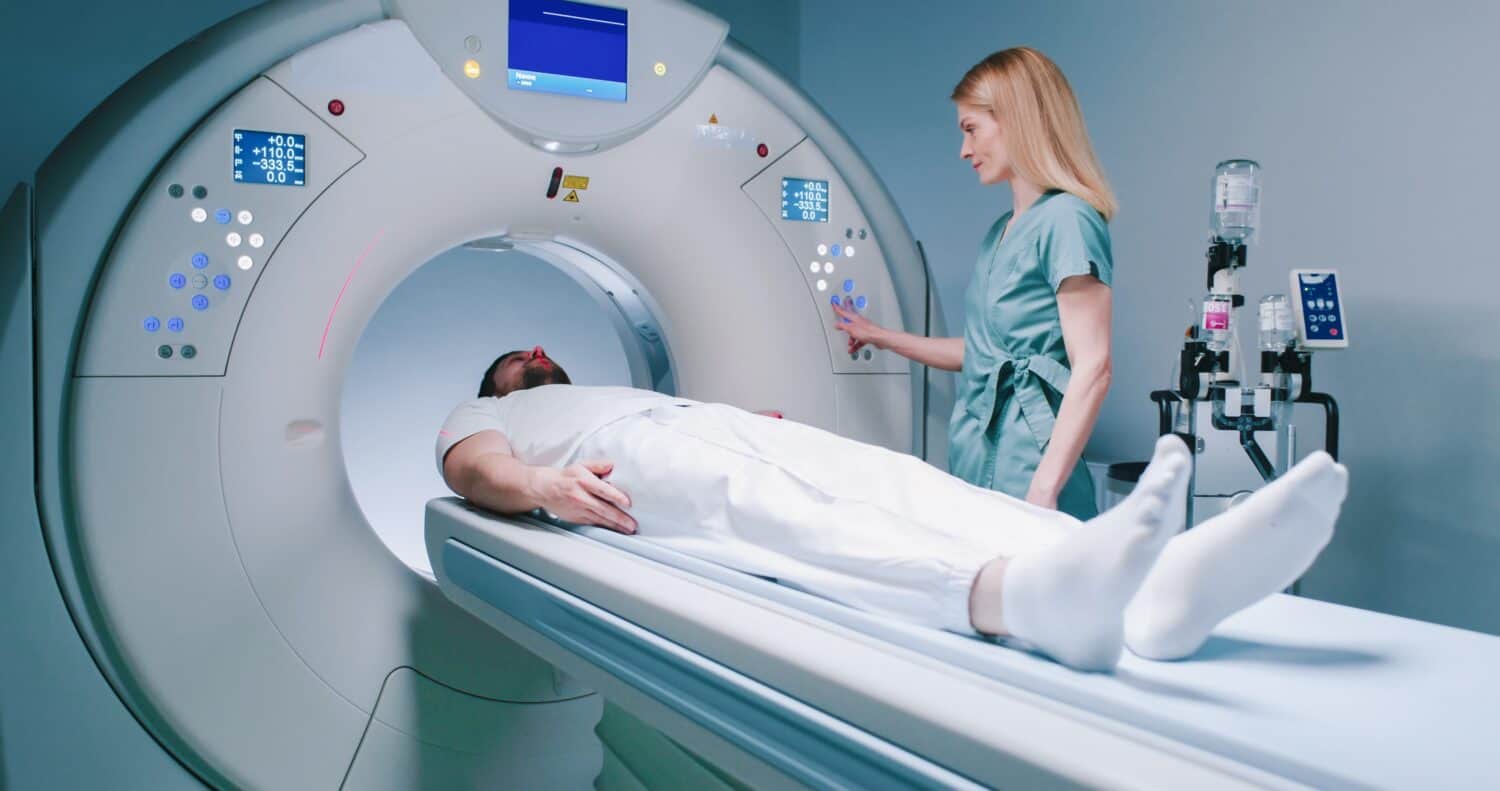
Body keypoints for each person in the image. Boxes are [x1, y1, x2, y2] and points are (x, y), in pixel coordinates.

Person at [436, 351, 1349, 672]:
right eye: (521, 355)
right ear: (500, 383)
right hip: (626, 465)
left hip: (701, 421)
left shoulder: (607, 380)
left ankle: (1160, 586)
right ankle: (1012, 598)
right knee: (785, 514)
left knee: (910, 483)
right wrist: (550, 488)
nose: (540, 355)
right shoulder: (490, 414)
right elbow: (476, 471)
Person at [833, 47, 1116, 520]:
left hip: (1030, 469)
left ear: (1017, 120)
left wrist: (1045, 489)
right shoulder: (999, 233)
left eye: (971, 130)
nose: (964, 150)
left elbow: (1095, 366)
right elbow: (983, 353)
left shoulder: (1068, 219)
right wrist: (881, 336)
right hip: (974, 451)